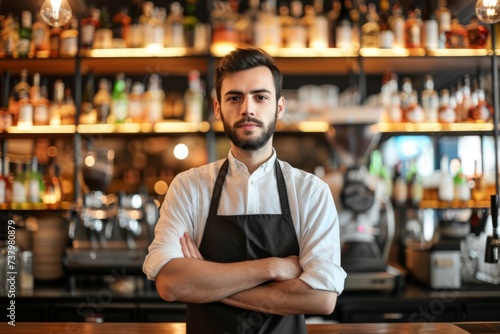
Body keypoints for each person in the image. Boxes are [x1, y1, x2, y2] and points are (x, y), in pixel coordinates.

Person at [143, 47, 346, 334]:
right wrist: (272, 268)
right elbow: (171, 283)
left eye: (260, 97)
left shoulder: (310, 192)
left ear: (279, 107)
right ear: (217, 109)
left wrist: (206, 283)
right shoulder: (189, 187)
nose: (247, 109)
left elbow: (322, 298)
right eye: (234, 97)